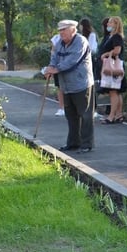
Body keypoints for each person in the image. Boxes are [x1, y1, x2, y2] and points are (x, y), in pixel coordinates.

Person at [44, 19, 95, 154]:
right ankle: (73, 143)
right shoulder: (60, 43)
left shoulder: (81, 41)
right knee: (70, 115)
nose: (61, 33)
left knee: (85, 115)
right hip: (66, 85)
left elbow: (72, 61)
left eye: (64, 30)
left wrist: (55, 69)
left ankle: (86, 144)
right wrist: (50, 67)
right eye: (60, 30)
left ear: (73, 30)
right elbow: (54, 57)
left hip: (81, 84)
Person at [99, 16, 127, 124]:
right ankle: (118, 114)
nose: (108, 24)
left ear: (116, 25)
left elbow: (117, 51)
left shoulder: (116, 37)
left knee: (113, 92)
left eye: (110, 23)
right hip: (115, 66)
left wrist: (105, 54)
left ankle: (111, 116)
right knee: (117, 92)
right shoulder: (112, 36)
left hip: (113, 67)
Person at [50, 33, 66, 116]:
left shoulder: (75, 39)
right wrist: (52, 66)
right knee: (59, 87)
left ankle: (69, 108)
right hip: (58, 66)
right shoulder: (56, 38)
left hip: (67, 66)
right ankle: (61, 107)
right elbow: (53, 51)